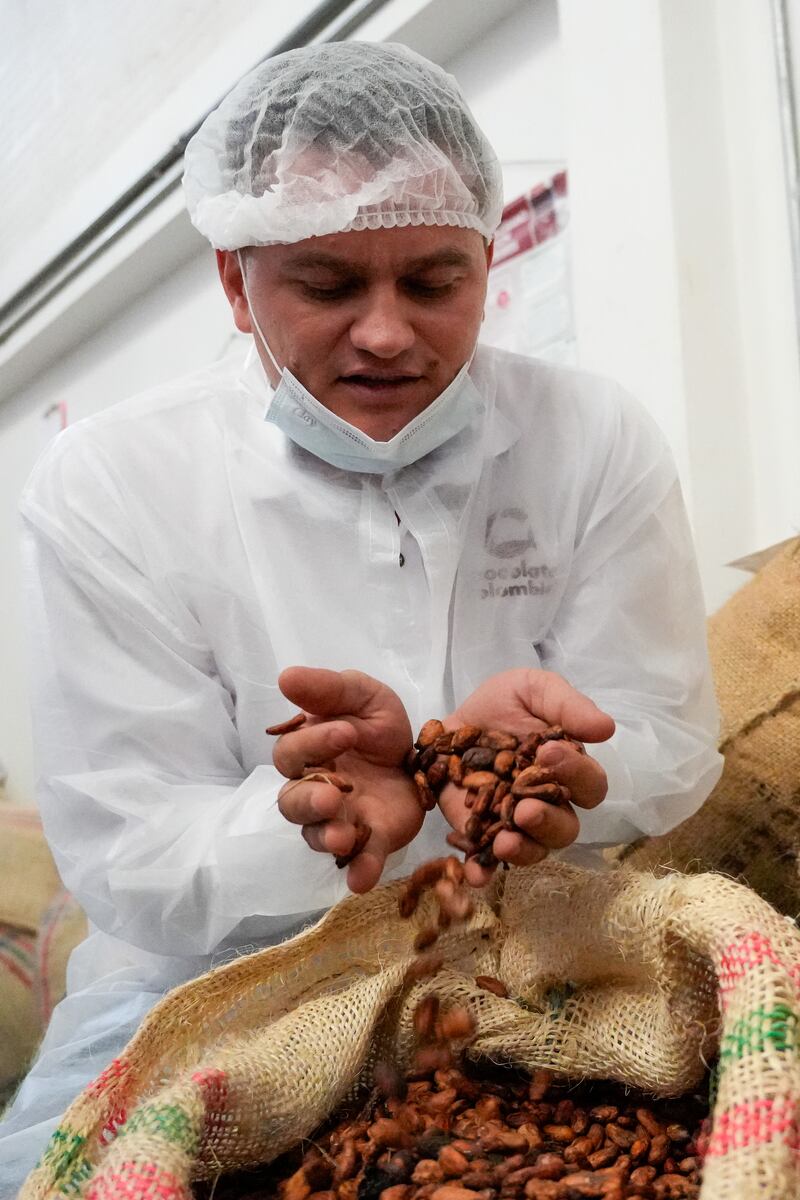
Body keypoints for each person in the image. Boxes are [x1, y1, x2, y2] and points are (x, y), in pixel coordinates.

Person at [0, 40, 721, 1193]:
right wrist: (331, 822)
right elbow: (134, 851)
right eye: (328, 285)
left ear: (489, 262)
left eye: (434, 283)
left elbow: (668, 736)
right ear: (235, 284)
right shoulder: (113, 483)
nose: (385, 333)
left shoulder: (591, 438)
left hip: (530, 949)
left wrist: (542, 766)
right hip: (208, 987)